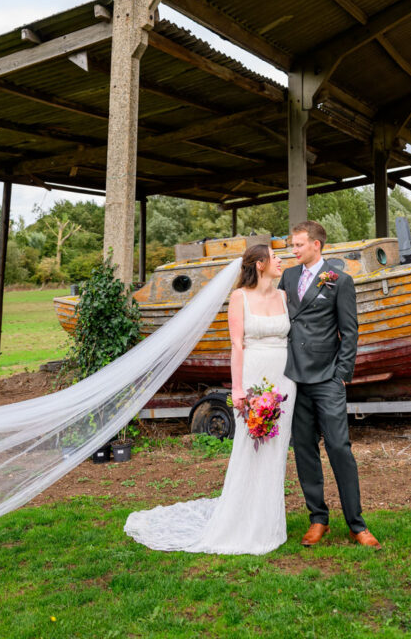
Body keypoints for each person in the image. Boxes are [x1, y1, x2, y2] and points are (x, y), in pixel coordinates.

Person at [124, 244, 295, 555]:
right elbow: (237, 346)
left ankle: (269, 521)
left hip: (285, 382)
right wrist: (239, 389)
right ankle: (241, 522)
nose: (280, 259)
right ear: (259, 264)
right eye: (274, 256)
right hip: (256, 378)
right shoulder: (239, 298)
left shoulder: (283, 296)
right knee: (251, 447)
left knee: (277, 450)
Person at [279, 220, 380, 548]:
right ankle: (318, 519)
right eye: (293, 245)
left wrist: (340, 374)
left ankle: (356, 524)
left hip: (327, 378)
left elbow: (350, 332)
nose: (293, 250)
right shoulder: (289, 277)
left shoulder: (340, 281)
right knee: (305, 449)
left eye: (298, 245)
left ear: (316, 245)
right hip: (295, 377)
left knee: (339, 448)